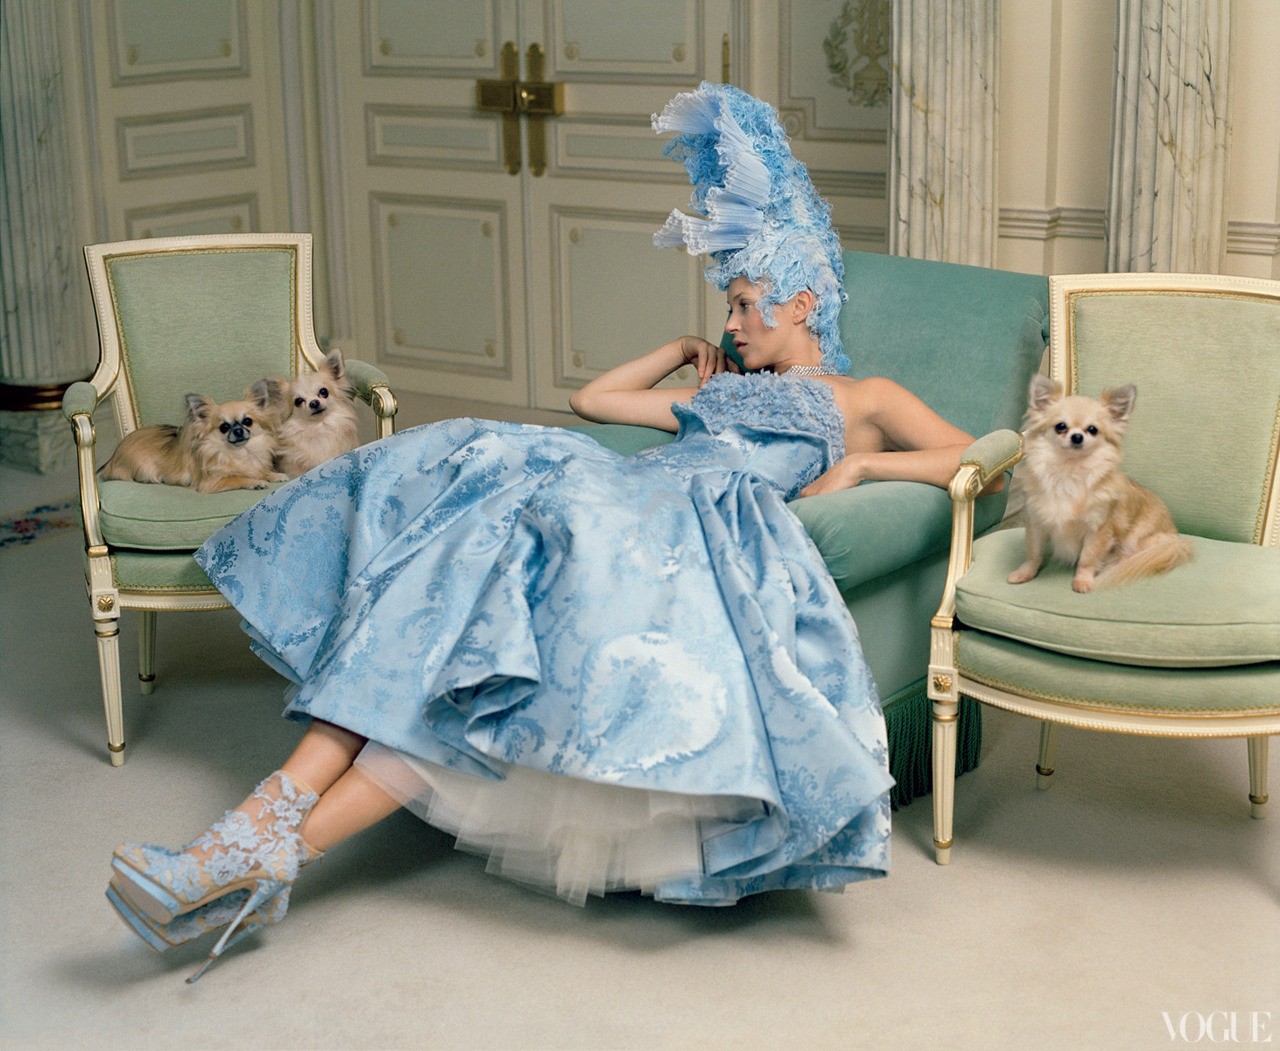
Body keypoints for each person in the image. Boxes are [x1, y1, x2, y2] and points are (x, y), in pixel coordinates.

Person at [105, 84, 988, 982]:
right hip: (625, 492)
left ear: (800, 302)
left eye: (745, 303)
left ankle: (256, 850)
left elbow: (985, 453)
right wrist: (681, 350)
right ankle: (256, 840)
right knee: (450, 574)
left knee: (469, 638)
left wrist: (864, 467)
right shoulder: (718, 388)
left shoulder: (861, 398)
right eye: (727, 306)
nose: (730, 322)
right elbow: (593, 401)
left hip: (680, 528)